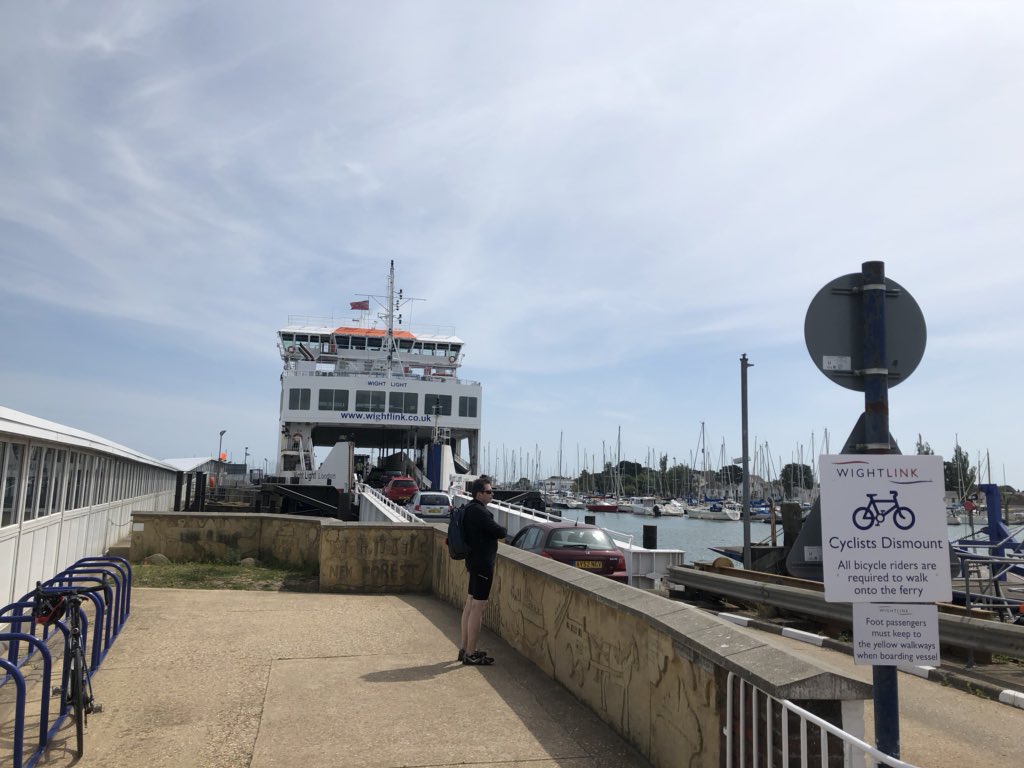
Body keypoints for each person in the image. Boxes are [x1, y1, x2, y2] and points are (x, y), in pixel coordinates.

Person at [459, 475, 506, 665]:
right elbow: (499, 531)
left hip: (473, 563)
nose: (492, 494)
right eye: (488, 491)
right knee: (478, 606)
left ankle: (464, 648)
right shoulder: (479, 512)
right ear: (479, 493)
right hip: (482, 565)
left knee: (470, 604)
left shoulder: (469, 509)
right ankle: (470, 652)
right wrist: (501, 529)